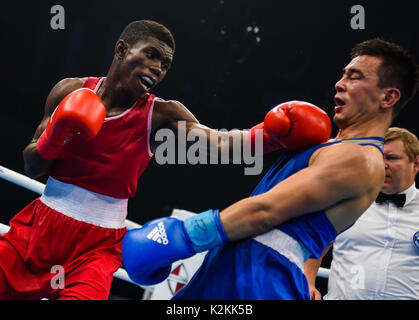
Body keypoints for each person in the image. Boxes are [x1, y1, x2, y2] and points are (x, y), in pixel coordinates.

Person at [0, 20, 330, 300]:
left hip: (96, 249)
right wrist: (57, 135)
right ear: (121, 50)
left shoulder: (161, 114)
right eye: (151, 55)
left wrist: (270, 136)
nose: (157, 68)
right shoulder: (69, 90)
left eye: (165, 64)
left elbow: (219, 143)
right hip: (39, 227)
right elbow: (33, 166)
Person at [122, 38, 419, 299]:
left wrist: (185, 236)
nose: (339, 83)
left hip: (262, 277)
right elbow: (225, 145)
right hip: (239, 262)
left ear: (388, 97)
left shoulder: (362, 158)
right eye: (343, 75)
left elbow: (264, 212)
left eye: (355, 77)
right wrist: (264, 138)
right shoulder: (325, 146)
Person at [304, 127, 419, 300]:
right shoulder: (347, 200)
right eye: (379, 157)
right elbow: (314, 246)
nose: (383, 164)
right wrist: (308, 282)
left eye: (392, 158)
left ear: (416, 164)